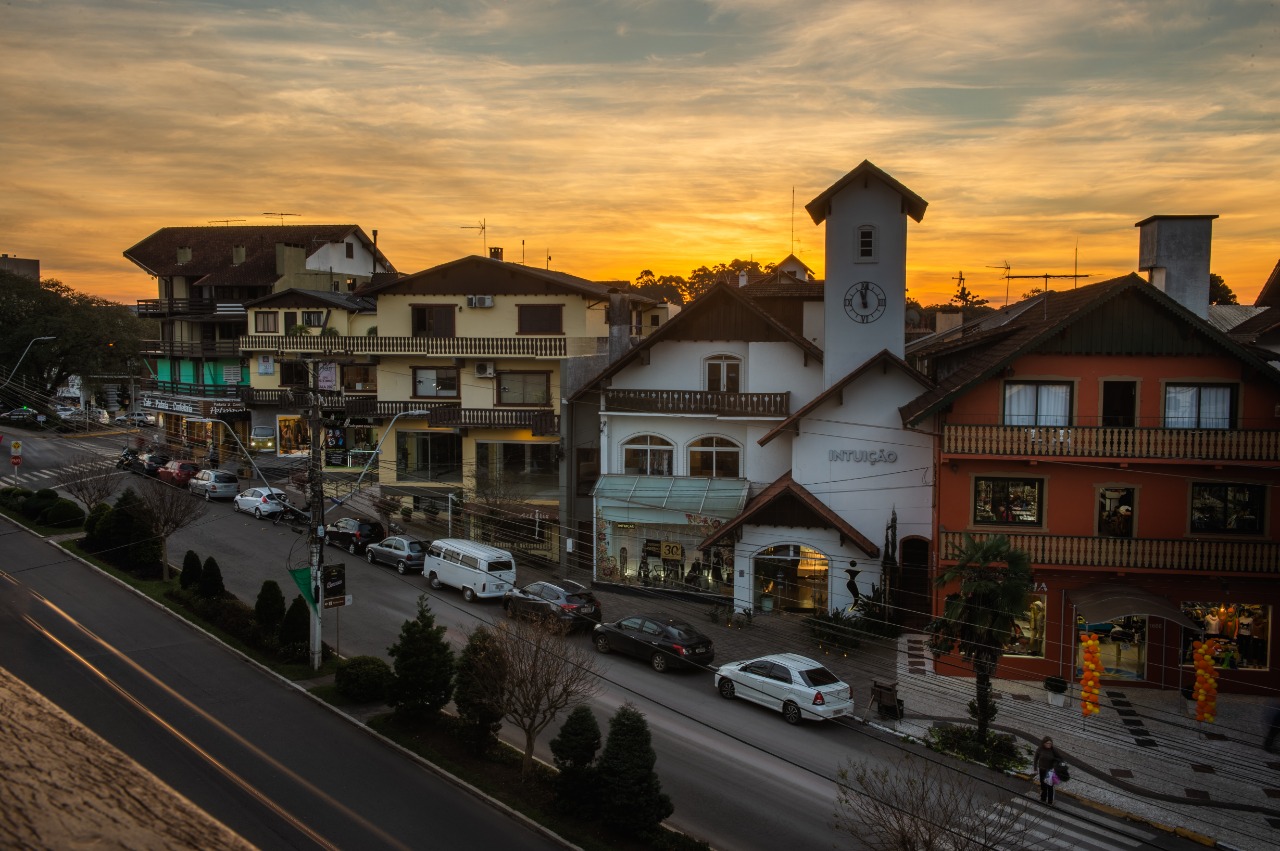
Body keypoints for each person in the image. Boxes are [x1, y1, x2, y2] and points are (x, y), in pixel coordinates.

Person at [1033, 736, 1066, 805]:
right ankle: (1043, 799)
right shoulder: (1040, 749)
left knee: (1050, 786)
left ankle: (1050, 802)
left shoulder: (1053, 750)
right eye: (1047, 743)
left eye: (1050, 743)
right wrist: (1035, 769)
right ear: (1043, 743)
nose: (1049, 745)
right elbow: (1036, 759)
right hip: (1042, 770)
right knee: (1043, 785)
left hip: (1050, 771)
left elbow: (1061, 758)